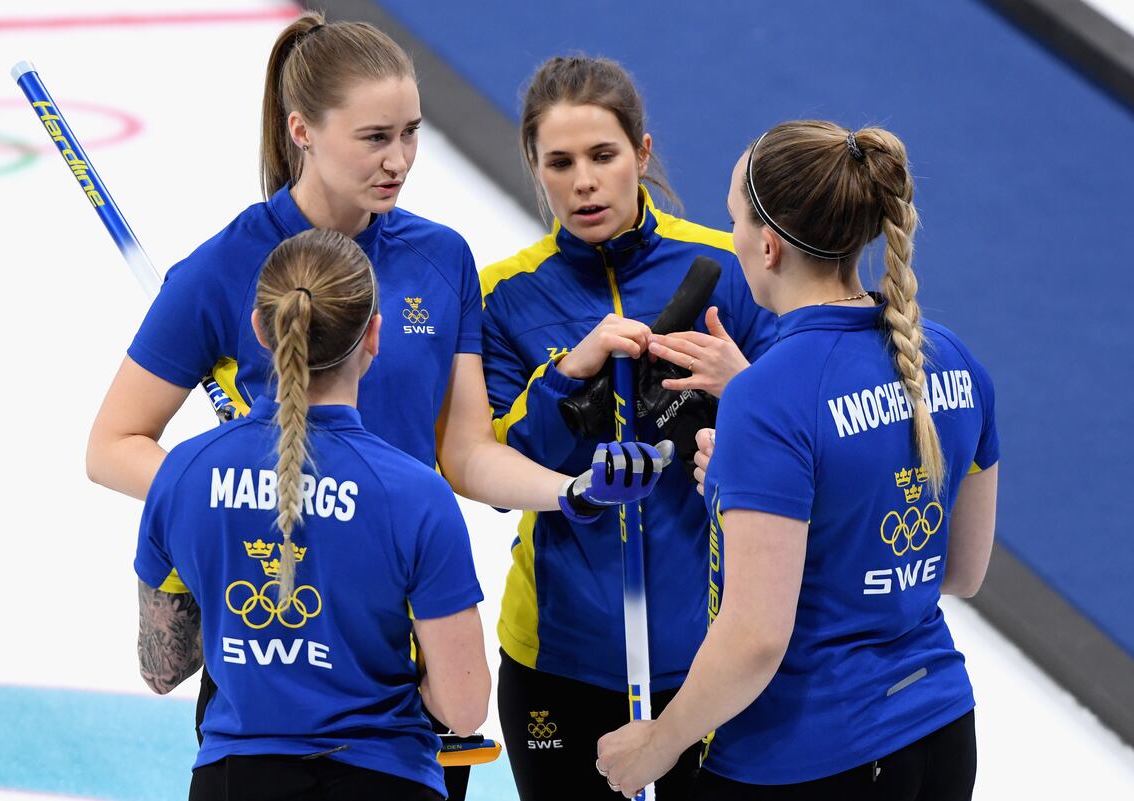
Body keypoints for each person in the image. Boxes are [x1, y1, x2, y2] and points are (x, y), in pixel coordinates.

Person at [87, 17, 666, 799]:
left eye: (411, 134)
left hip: (406, 644)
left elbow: (463, 452)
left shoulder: (441, 257)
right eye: (373, 138)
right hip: (277, 636)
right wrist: (242, 487)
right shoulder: (226, 266)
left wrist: (569, 492)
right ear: (303, 130)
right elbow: (113, 442)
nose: (399, 161)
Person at [596, 121, 999, 801]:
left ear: (769, 244)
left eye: (732, 221)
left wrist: (657, 746)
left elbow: (755, 637)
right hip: (941, 734)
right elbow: (960, 570)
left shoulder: (771, 396)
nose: (730, 241)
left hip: (808, 756)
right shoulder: (952, 357)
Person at [479, 56, 777, 801]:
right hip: (557, 654)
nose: (583, 181)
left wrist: (739, 390)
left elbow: (797, 429)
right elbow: (490, 472)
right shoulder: (502, 297)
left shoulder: (725, 267)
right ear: (535, 168)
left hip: (710, 653)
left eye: (603, 156)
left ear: (641, 155)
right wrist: (568, 374)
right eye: (561, 161)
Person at [133, 228, 489, 800]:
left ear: (259, 329)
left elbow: (162, 668)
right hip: (384, 776)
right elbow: (464, 706)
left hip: (234, 780)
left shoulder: (183, 473)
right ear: (374, 334)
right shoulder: (416, 494)